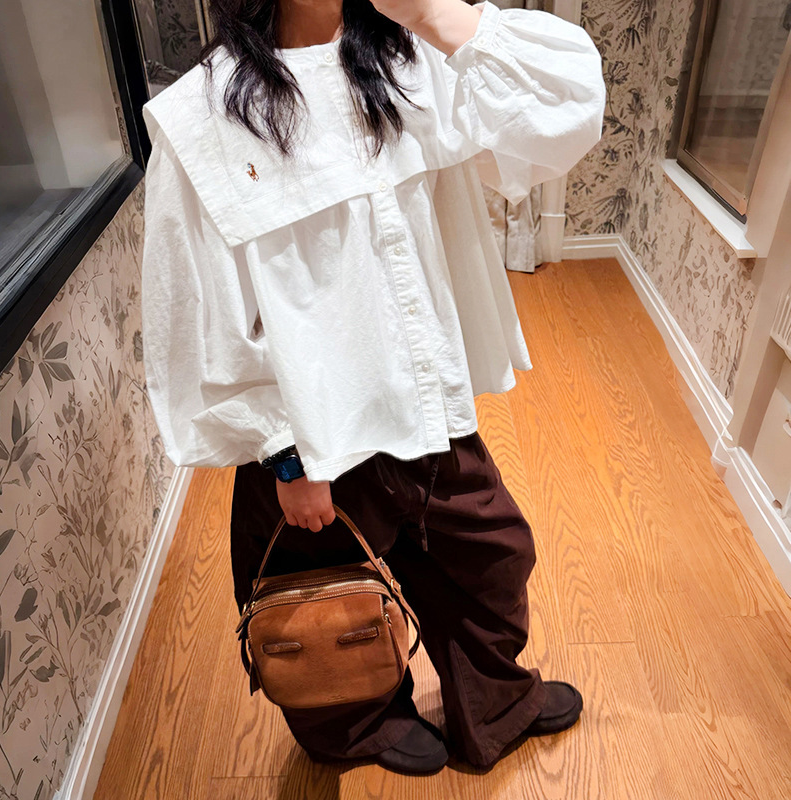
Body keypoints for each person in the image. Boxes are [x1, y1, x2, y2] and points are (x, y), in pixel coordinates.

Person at [140, 0, 606, 776]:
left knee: (490, 558)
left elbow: (567, 109)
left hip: (423, 406)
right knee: (322, 601)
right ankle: (360, 730)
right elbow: (198, 311)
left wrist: (432, 13)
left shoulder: (418, 62)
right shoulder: (206, 114)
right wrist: (287, 458)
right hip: (311, 429)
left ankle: (496, 704)